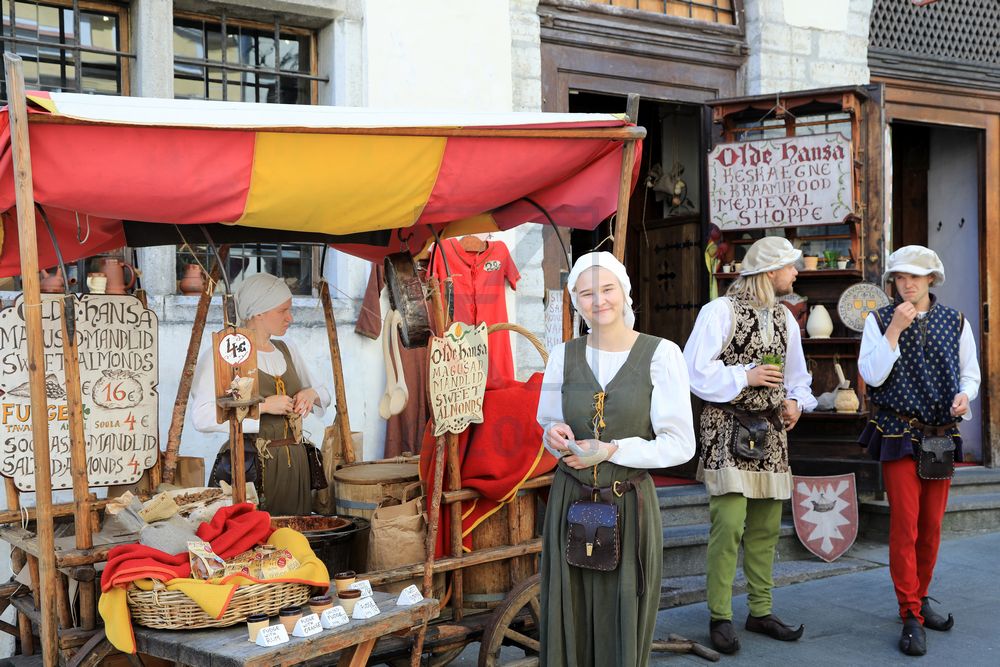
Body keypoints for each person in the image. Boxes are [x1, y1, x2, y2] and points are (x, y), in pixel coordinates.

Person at [537, 251, 696, 667]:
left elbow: (680, 444)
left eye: (607, 289)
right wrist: (553, 436)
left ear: (624, 291)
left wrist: (613, 450)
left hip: (627, 504)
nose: (598, 300)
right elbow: (549, 425)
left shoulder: (662, 355)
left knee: (622, 611)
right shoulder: (562, 356)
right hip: (570, 502)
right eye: (587, 293)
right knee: (568, 607)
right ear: (576, 301)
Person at [682, 236, 816, 655]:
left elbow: (798, 374)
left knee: (764, 529)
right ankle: (720, 615)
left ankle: (760, 610)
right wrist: (746, 376)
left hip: (772, 432)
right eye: (791, 266)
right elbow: (693, 370)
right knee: (728, 526)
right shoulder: (719, 311)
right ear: (770, 271)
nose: (796, 272)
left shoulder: (786, 318)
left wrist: (796, 401)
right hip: (727, 428)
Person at [857, 245, 980, 657]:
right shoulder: (878, 320)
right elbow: (872, 375)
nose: (906, 284)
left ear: (931, 280)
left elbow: (970, 374)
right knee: (904, 526)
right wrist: (893, 330)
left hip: (940, 435)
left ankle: (921, 598)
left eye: (915, 276)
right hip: (897, 433)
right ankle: (909, 612)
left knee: (931, 526)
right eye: (899, 277)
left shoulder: (955, 321)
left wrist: (966, 395)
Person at [191, 272, 332, 516]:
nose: (290, 318)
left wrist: (310, 393)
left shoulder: (288, 349)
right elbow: (202, 416)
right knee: (257, 541)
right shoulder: (228, 352)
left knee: (295, 537)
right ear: (258, 312)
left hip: (295, 466)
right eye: (282, 311)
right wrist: (263, 406)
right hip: (251, 467)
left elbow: (325, 394)